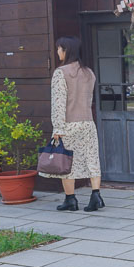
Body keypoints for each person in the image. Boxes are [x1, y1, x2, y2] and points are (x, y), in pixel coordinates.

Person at [39, 36, 105, 212]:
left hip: (68, 125)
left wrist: (58, 128)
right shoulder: (89, 73)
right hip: (88, 123)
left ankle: (70, 199)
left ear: (66, 50)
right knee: (92, 158)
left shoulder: (61, 73)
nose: (57, 52)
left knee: (67, 161)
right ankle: (96, 195)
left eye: (59, 49)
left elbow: (58, 103)